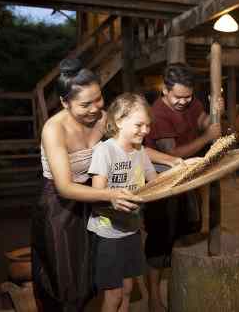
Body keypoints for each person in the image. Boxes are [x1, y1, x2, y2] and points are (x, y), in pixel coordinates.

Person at [32, 58, 179, 312]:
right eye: (84, 104)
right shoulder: (54, 129)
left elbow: (131, 144)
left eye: (98, 99)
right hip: (60, 208)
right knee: (65, 279)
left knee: (95, 275)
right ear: (65, 103)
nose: (94, 108)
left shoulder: (101, 119)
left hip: (94, 199)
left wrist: (173, 160)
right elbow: (65, 186)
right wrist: (109, 193)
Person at [144, 63, 223, 312]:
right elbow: (172, 153)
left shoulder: (191, 102)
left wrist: (215, 113)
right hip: (162, 181)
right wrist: (207, 138)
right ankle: (154, 297)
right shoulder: (158, 113)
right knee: (160, 239)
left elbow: (203, 122)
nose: (183, 101)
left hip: (188, 178)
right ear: (165, 91)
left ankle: (182, 288)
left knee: (188, 231)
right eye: (178, 97)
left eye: (188, 96)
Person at [88, 93, 166, 312]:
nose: (145, 131)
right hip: (108, 233)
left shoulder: (140, 152)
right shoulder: (105, 151)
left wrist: (183, 174)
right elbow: (97, 194)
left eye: (148, 126)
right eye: (139, 125)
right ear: (120, 121)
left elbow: (155, 182)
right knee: (113, 294)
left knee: (128, 289)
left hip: (131, 230)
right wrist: (113, 198)